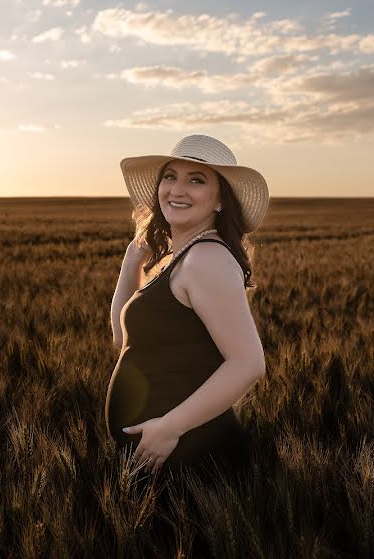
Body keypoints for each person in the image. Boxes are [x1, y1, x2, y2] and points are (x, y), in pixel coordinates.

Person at [105, 133, 270, 478]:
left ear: (221, 200)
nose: (177, 190)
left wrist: (170, 427)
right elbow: (123, 341)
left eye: (196, 180)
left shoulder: (205, 258)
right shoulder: (179, 260)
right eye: (170, 177)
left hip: (191, 453)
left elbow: (249, 362)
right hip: (167, 451)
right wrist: (131, 262)